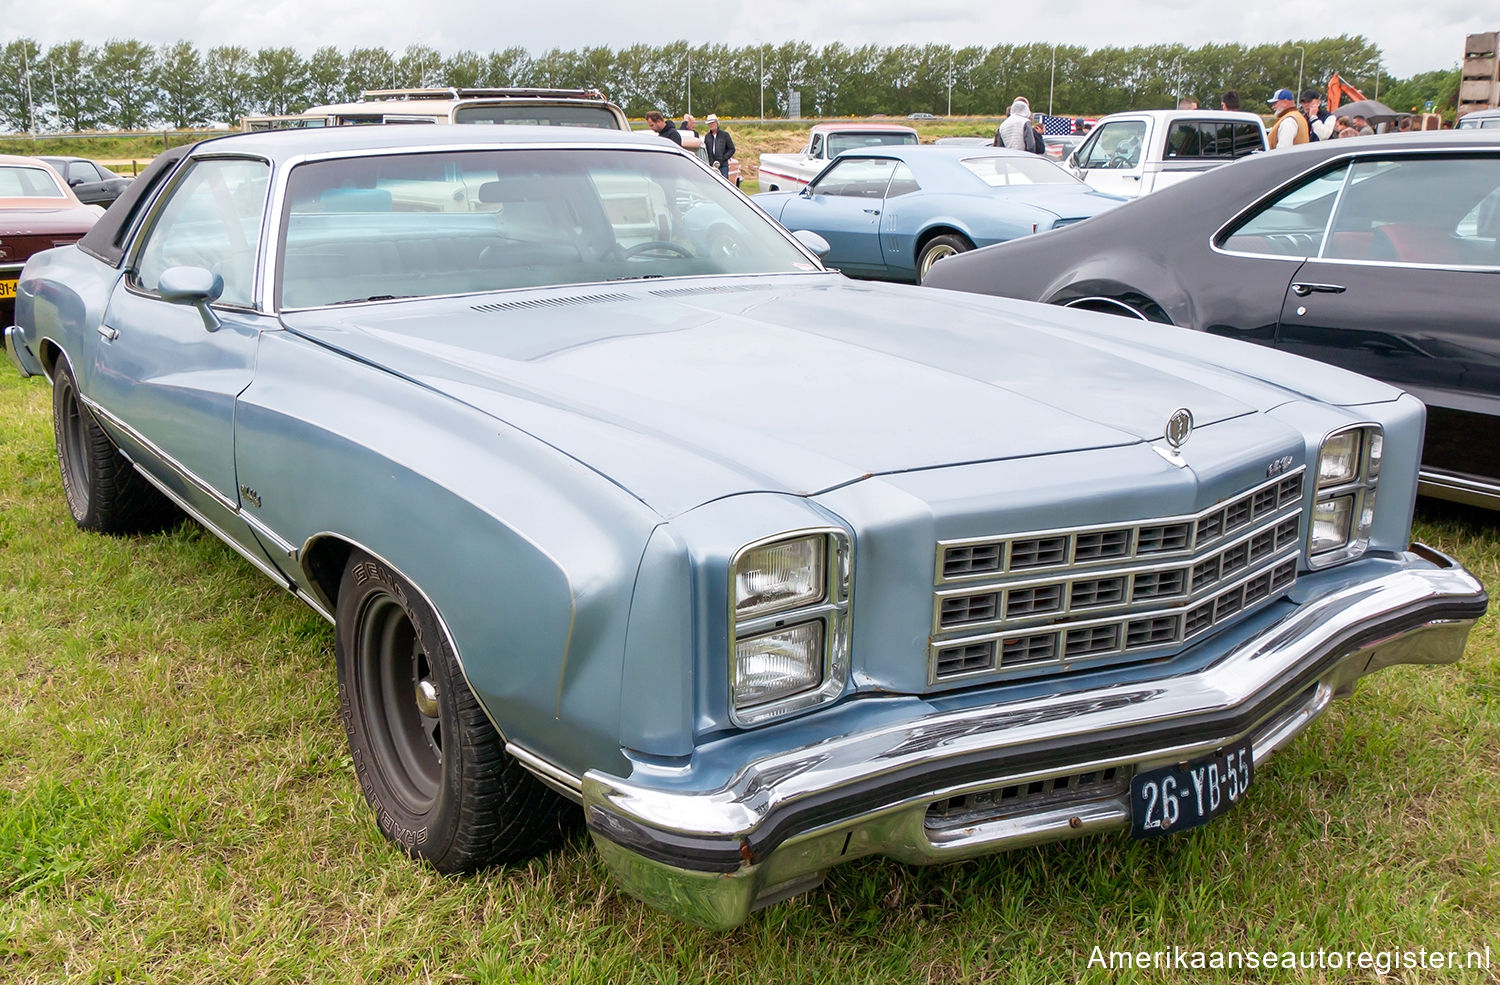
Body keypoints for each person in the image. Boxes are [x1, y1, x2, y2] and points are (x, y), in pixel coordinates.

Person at [703, 114, 735, 179]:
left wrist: (723, 158)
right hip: (711, 166)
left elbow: (732, 149)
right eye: (709, 123)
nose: (711, 125)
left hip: (723, 166)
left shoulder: (725, 135)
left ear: (717, 123)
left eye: (712, 123)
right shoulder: (707, 137)